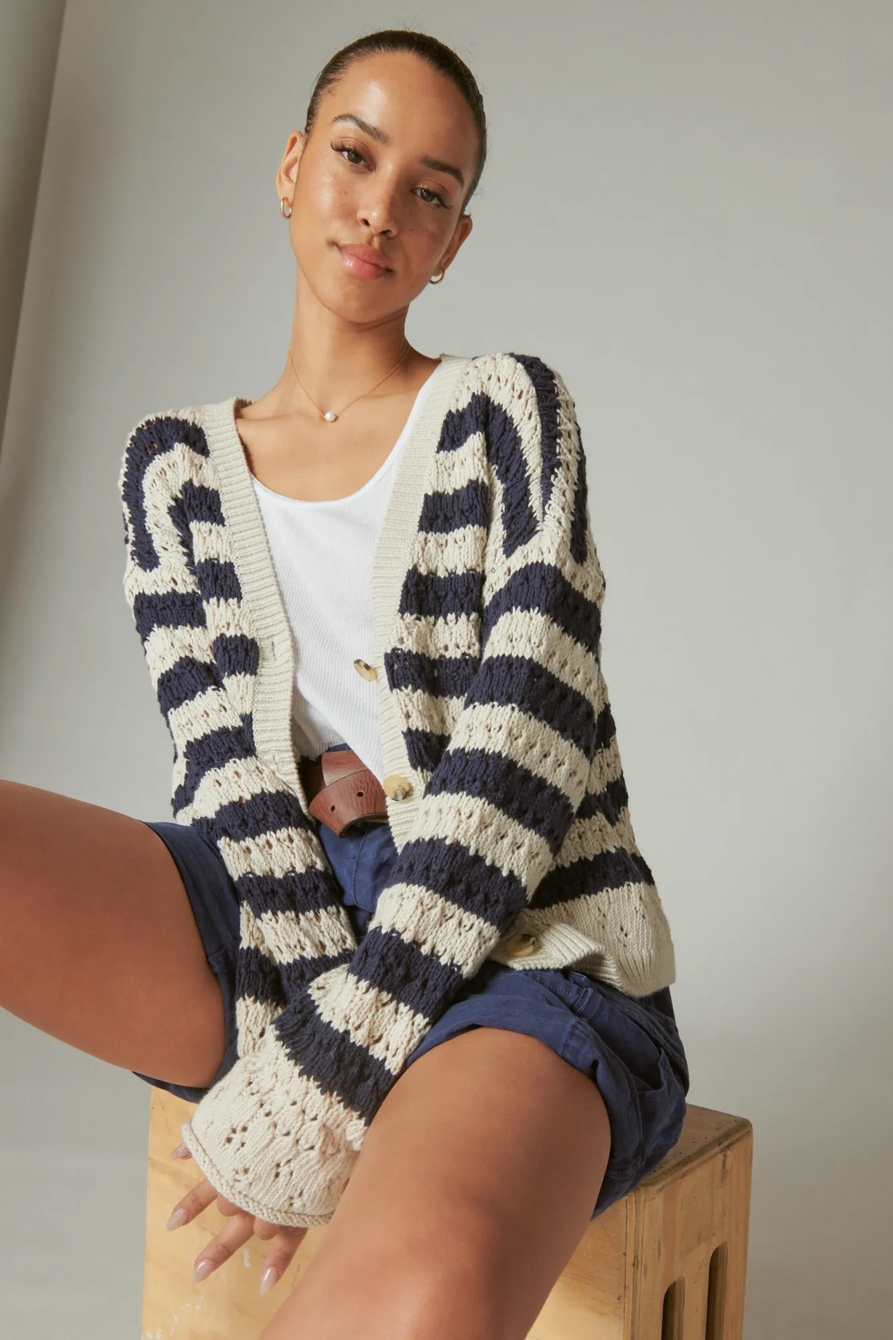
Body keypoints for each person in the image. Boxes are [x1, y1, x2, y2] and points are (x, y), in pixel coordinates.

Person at [0, 27, 688, 1340]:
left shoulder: (505, 418)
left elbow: (518, 765)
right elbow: (231, 783)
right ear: (291, 167)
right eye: (355, 157)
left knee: (422, 1295)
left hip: (526, 938)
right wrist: (320, 1041)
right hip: (285, 914)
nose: (380, 210)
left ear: (453, 240)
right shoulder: (174, 475)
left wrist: (327, 1076)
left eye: (428, 190)